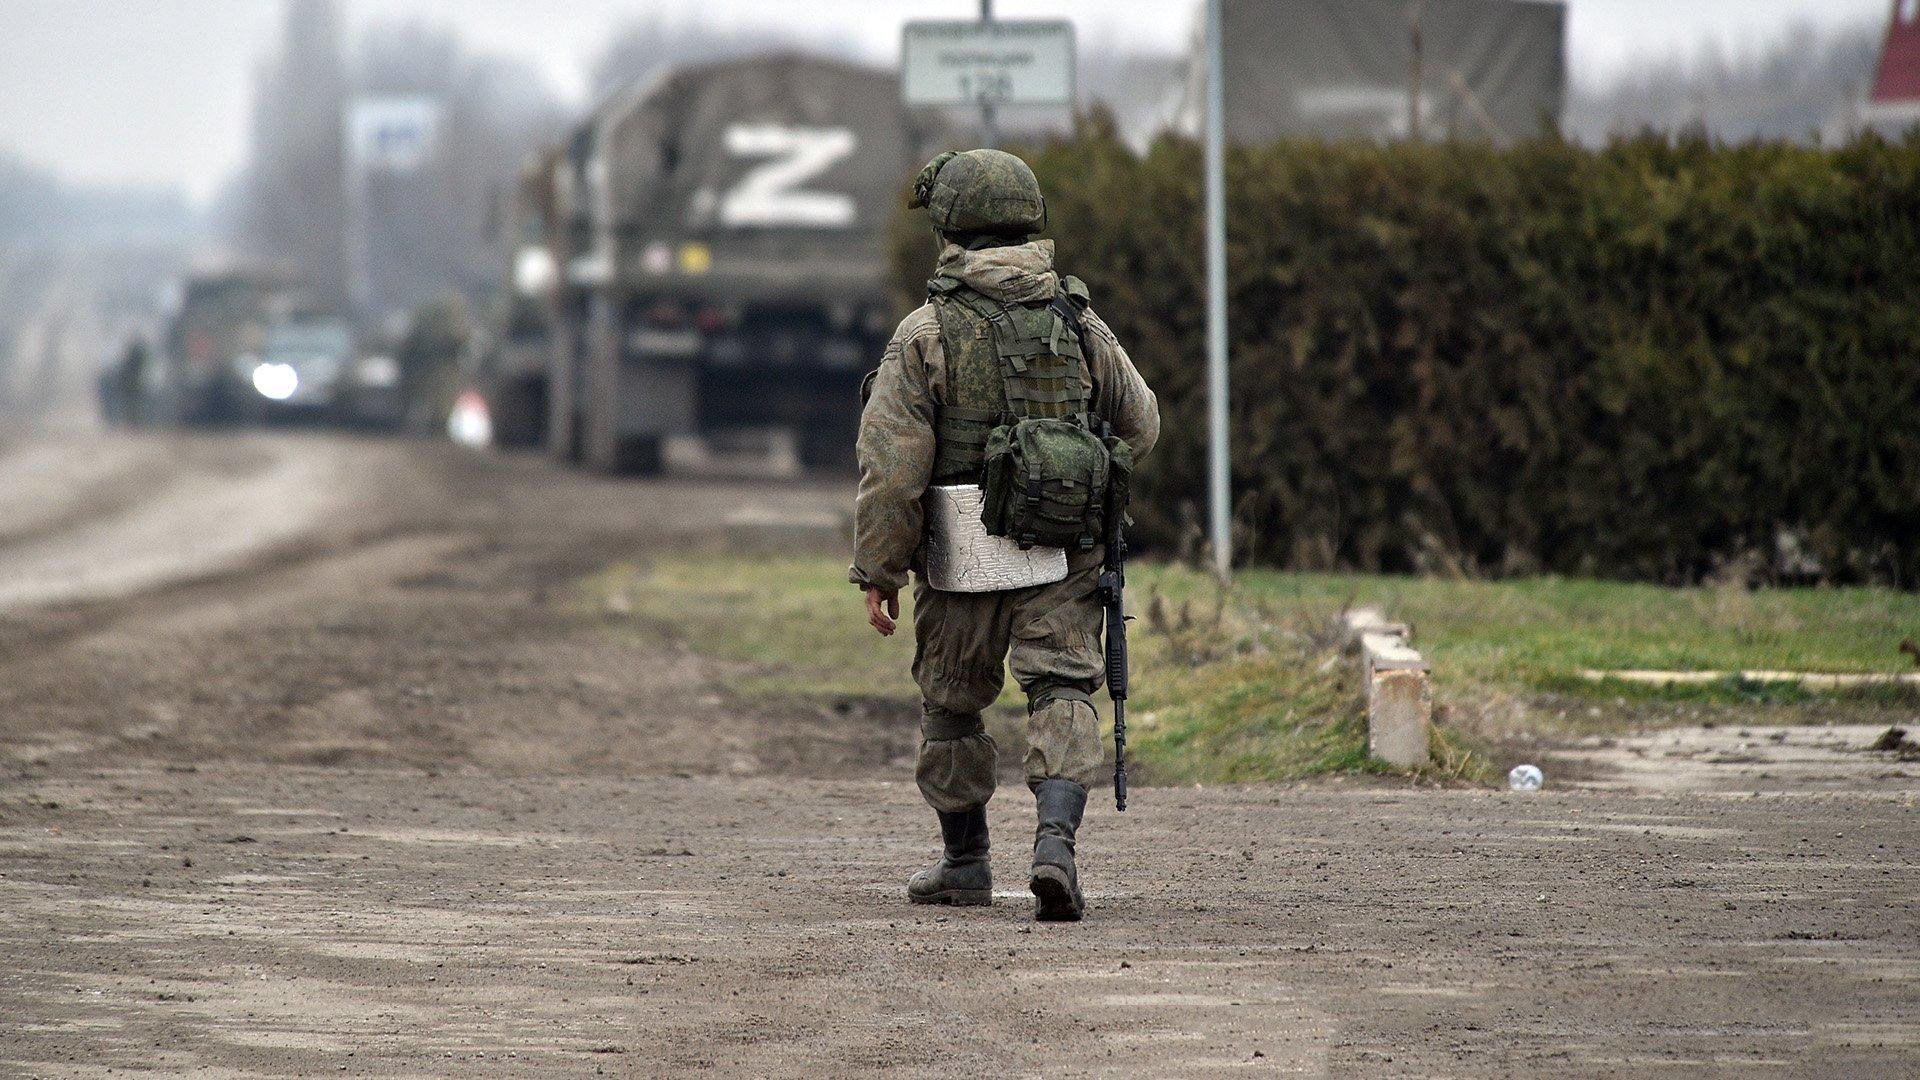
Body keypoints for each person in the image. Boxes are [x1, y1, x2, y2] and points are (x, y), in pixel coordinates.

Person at [850, 149, 1159, 921]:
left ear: (950, 226)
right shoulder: (1077, 318)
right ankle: (1055, 846)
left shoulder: (924, 333)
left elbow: (891, 467)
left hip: (961, 556)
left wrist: (878, 570)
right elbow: (1141, 424)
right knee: (1061, 686)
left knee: (952, 701)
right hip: (1065, 549)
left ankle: (965, 861)